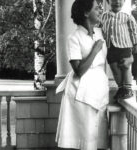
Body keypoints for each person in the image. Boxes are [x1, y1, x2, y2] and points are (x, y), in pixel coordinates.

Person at [55, 0, 109, 150]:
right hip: (81, 93)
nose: (100, 11)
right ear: (86, 13)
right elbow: (79, 70)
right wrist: (94, 50)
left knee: (99, 139)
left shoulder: (99, 32)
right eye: (97, 8)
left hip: (99, 90)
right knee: (84, 140)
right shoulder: (74, 38)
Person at [101, 0, 137, 99]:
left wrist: (136, 44)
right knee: (115, 68)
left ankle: (128, 89)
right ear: (108, 1)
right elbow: (100, 29)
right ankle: (121, 88)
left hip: (125, 46)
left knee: (125, 67)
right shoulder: (104, 16)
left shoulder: (127, 15)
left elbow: (134, 30)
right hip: (110, 47)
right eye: (114, 0)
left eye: (120, 0)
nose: (117, 2)